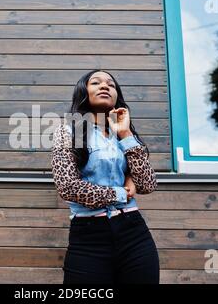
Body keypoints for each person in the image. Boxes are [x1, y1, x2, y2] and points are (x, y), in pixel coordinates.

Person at [51, 70, 160, 284]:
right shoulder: (67, 132)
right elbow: (68, 187)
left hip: (133, 231)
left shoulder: (125, 134)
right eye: (96, 82)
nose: (105, 86)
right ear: (84, 91)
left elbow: (147, 183)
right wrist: (121, 192)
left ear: (116, 95)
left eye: (111, 84)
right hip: (88, 236)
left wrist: (126, 134)